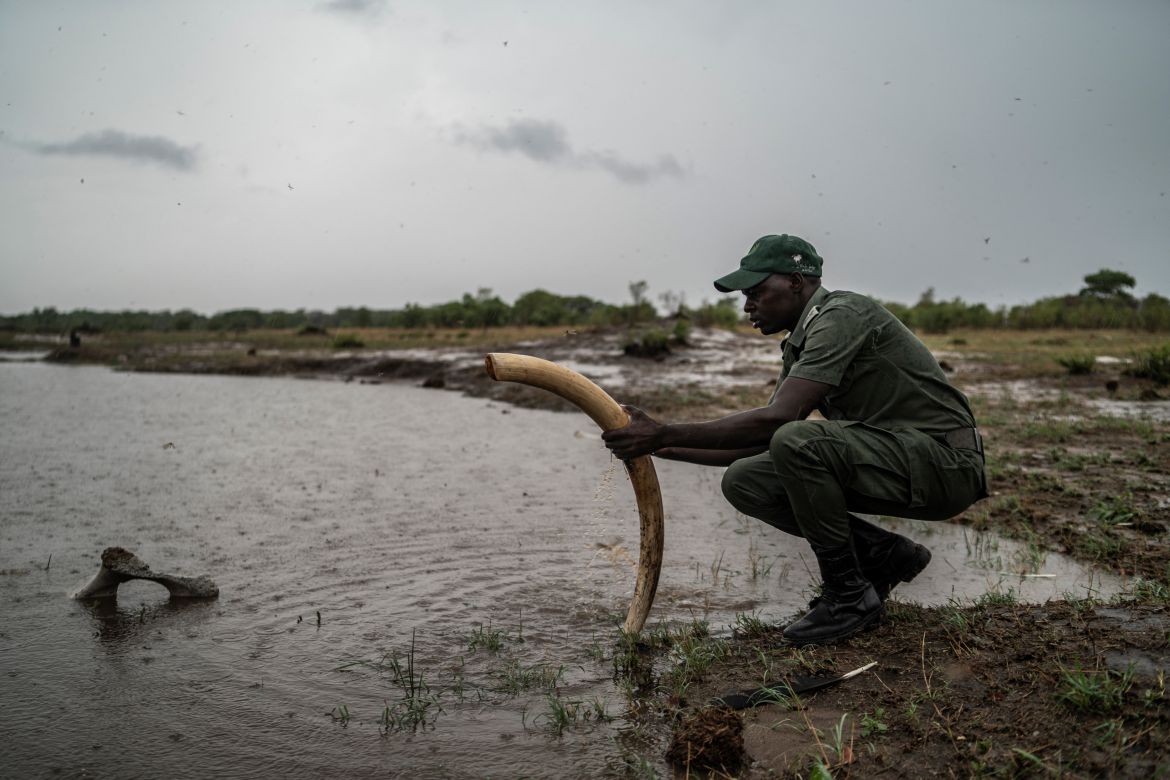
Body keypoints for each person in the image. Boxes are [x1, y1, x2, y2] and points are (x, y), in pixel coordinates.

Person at [602, 234, 987, 645]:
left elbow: (780, 423)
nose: (748, 305)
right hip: (903, 460)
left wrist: (663, 430)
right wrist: (659, 446)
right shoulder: (802, 341)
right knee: (745, 481)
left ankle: (848, 596)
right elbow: (760, 441)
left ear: (796, 282)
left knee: (797, 439)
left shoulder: (841, 314)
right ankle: (881, 557)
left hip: (945, 465)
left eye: (756, 292)